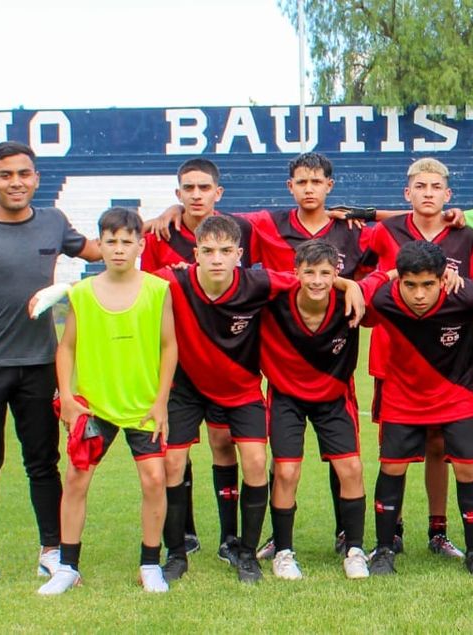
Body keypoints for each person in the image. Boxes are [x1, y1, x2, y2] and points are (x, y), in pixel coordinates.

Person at [150, 215, 364, 584]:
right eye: (208, 251)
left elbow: (312, 277)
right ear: (195, 254)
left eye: (225, 251)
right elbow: (127, 285)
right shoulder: (172, 281)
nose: (217, 259)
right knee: (171, 464)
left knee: (254, 460)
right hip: (186, 389)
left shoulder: (259, 282)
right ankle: (176, 554)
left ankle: (247, 553)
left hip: (242, 388)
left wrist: (350, 285)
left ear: (239, 254)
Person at [0, 141, 103, 588]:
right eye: (6, 175)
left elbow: (97, 249)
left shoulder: (52, 222)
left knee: (42, 462)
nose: (16, 182)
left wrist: (151, 225)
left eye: (24, 174)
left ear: (36, 178)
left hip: (39, 365)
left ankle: (51, 550)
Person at [34, 208, 176, 595]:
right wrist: (66, 395)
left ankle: (149, 564)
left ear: (140, 245)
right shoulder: (81, 293)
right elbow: (66, 348)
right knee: (77, 479)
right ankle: (67, 566)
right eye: (110, 241)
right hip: (94, 407)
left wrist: (161, 401)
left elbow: (169, 346)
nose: (118, 249)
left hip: (143, 407)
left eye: (126, 241)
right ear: (100, 245)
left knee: (153, 480)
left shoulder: (156, 289)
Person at [141, 157, 263, 560]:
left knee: (222, 441)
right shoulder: (162, 233)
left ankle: (231, 538)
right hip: (179, 365)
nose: (196, 195)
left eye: (203, 188)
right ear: (178, 194)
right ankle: (185, 533)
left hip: (229, 364)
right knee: (177, 452)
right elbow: (140, 288)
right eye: (187, 189)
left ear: (217, 193)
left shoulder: (239, 228)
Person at [368, 158, 473, 560]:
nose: (428, 193)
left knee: (442, 446)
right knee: (394, 450)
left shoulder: (465, 236)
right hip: (396, 358)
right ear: (408, 193)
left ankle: (438, 531)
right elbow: (362, 279)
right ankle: (393, 531)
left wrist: (462, 285)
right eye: (420, 187)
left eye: (436, 187)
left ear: (447, 194)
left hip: (449, 361)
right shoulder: (384, 232)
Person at [260, 240, 370, 581]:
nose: (318, 281)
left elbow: (384, 279)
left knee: (350, 468)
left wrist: (351, 285)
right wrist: (346, 280)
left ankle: (354, 550)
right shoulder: (274, 297)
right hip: (286, 396)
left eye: (326, 273)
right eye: (309, 272)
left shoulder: (349, 301)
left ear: (336, 273)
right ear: (296, 274)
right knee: (286, 472)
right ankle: (283, 551)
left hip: (333, 396)